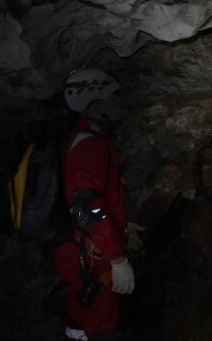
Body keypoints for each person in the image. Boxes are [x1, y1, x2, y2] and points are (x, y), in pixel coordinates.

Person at [54, 68, 140, 341]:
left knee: (84, 320)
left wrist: (122, 225)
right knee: (99, 326)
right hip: (98, 257)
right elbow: (86, 208)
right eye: (113, 96)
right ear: (97, 102)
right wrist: (117, 259)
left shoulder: (93, 139)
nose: (119, 101)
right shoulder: (89, 146)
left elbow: (102, 197)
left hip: (96, 248)